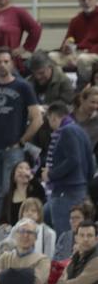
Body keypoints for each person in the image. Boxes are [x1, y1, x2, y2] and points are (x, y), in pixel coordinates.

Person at [0, 48, 43, 208]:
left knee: (11, 191)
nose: (2, 65)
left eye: (6, 61)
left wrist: (21, 142)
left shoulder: (23, 86)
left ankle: (12, 227)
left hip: (13, 149)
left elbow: (37, 119)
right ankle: (1, 229)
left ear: (12, 64)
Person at [44, 100, 95, 233]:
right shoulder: (81, 130)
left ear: (53, 117)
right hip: (79, 189)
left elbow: (73, 160)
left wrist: (50, 174)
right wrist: (85, 183)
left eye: (49, 120)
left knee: (65, 233)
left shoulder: (66, 131)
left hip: (66, 190)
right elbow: (91, 163)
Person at [51, 0, 98, 85]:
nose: (86, 2)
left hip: (92, 53)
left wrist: (85, 53)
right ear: (79, 2)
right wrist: (66, 48)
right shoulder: (75, 20)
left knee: (83, 59)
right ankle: (64, 85)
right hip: (76, 53)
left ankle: (83, 88)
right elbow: (68, 40)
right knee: (51, 56)